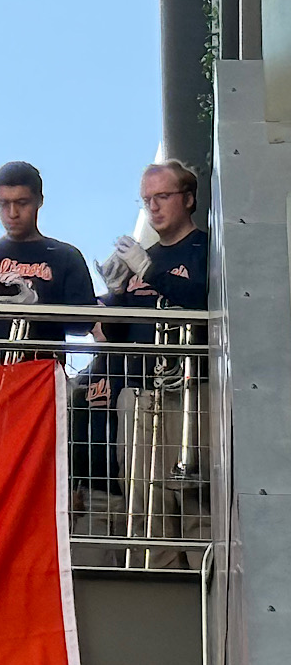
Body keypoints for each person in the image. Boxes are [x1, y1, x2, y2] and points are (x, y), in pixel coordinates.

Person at [90, 161, 211, 564]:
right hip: (140, 395)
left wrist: (150, 270)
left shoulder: (206, 248)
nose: (153, 208)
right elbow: (117, 335)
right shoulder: (146, 257)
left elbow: (204, 300)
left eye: (162, 196)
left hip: (193, 392)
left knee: (196, 501)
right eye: (146, 200)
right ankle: (159, 584)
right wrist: (116, 294)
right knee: (145, 507)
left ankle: (203, 589)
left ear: (188, 199)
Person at [0, 160, 95, 363]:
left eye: (22, 203)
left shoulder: (65, 256)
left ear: (39, 200)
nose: (12, 213)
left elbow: (84, 324)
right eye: (3, 204)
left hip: (40, 375)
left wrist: (36, 306)